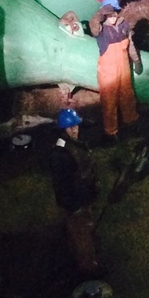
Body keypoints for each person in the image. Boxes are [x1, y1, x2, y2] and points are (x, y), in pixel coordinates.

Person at [48, 109, 102, 277]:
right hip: (75, 202)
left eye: (75, 126)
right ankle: (88, 270)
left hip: (84, 196)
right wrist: (74, 206)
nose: (74, 130)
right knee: (81, 238)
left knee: (83, 229)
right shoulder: (60, 154)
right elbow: (62, 185)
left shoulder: (77, 143)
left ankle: (76, 247)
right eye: (69, 128)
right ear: (63, 129)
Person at [88, 0, 141, 141]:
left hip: (123, 68)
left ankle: (131, 121)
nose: (113, 17)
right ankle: (111, 132)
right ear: (104, 15)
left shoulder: (124, 25)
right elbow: (93, 26)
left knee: (127, 95)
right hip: (107, 72)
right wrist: (100, 12)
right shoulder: (101, 30)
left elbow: (130, 44)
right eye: (109, 15)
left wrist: (136, 60)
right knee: (109, 102)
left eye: (115, 13)